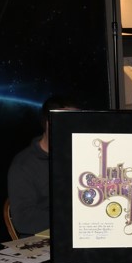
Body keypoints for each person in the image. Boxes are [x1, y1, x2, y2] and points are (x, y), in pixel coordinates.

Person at [7, 95, 78, 237]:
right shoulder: (24, 164)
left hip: (75, 232)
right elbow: (23, 220)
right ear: (48, 123)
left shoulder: (80, 154)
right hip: (43, 238)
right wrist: (72, 215)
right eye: (68, 121)